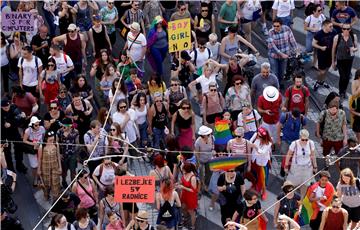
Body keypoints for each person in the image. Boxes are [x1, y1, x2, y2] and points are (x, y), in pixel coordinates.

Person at [267, 18, 298, 84]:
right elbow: (272, 46)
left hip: (285, 55)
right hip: (274, 56)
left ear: (281, 25)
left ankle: (280, 83)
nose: (275, 27)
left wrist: (296, 50)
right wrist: (281, 54)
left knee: (282, 72)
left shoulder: (287, 29)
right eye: (274, 26)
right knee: (275, 72)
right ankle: (275, 85)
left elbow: (292, 40)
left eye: (277, 26)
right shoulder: (271, 32)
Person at [0, 98, 27, 173]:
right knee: (6, 151)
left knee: (19, 147)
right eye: (5, 107)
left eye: (8, 106)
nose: (7, 108)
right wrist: (3, 124)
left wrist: (22, 116)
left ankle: (19, 164)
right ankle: (10, 167)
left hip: (14, 131)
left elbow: (20, 121)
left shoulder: (14, 107)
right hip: (3, 134)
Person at [331, 23, 358, 99]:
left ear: (350, 29)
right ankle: (341, 92)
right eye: (344, 29)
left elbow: (356, 47)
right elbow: (333, 50)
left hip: (349, 59)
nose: (346, 30)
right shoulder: (337, 37)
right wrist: (333, 62)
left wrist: (354, 49)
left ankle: (344, 91)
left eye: (348, 29)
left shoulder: (353, 36)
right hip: (340, 60)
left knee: (347, 77)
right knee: (342, 77)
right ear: (342, 29)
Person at [312, 19, 337, 91]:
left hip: (330, 54)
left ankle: (322, 81)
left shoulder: (334, 32)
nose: (332, 27)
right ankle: (318, 81)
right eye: (330, 26)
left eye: (332, 26)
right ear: (325, 26)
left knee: (326, 70)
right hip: (322, 55)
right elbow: (313, 43)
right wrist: (321, 47)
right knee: (321, 71)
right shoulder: (319, 34)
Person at [37, 131, 62, 201]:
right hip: (45, 168)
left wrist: (60, 167)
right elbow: (39, 159)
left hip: (55, 167)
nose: (52, 141)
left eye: (53, 139)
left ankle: (55, 198)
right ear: (46, 139)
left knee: (55, 183)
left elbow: (58, 156)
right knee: (46, 183)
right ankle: (46, 194)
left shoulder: (56, 144)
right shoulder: (42, 147)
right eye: (50, 140)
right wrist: (39, 170)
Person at [250, 127, 272, 200]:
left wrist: (255, 147)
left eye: (260, 136)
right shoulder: (256, 134)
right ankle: (254, 185)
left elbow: (262, 152)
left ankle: (264, 191)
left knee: (262, 178)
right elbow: (250, 142)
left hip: (262, 163)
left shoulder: (268, 143)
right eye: (257, 135)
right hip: (254, 160)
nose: (257, 137)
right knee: (254, 175)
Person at [23, 116, 45, 186]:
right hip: (32, 150)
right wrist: (33, 143)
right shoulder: (28, 131)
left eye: (38, 124)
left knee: (41, 163)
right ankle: (35, 178)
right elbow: (24, 140)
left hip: (40, 148)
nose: (38, 126)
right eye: (36, 125)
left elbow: (43, 137)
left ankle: (41, 179)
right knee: (34, 166)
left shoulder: (42, 128)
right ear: (32, 125)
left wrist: (40, 144)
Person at [177, 162, 198, 230]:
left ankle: (193, 226)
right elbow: (182, 182)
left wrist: (183, 187)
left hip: (190, 197)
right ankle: (185, 218)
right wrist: (178, 183)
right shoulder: (184, 173)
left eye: (183, 169)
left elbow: (193, 190)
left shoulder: (193, 177)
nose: (182, 170)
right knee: (183, 208)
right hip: (184, 195)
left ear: (187, 169)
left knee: (191, 212)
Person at [304, 4, 326, 68]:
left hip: (318, 35)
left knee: (316, 50)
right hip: (311, 34)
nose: (320, 12)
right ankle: (304, 55)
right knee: (309, 49)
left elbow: (324, 23)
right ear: (314, 11)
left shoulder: (322, 16)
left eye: (321, 10)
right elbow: (305, 28)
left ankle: (314, 64)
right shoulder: (309, 18)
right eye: (318, 10)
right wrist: (313, 29)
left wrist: (323, 29)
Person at [195, 125, 215, 193]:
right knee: (200, 174)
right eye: (208, 134)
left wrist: (213, 150)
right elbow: (197, 153)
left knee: (209, 173)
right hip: (201, 160)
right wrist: (198, 162)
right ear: (203, 135)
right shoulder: (198, 142)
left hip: (209, 159)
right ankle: (200, 187)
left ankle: (206, 185)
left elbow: (213, 146)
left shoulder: (212, 138)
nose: (210, 135)